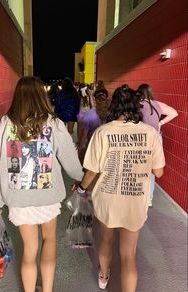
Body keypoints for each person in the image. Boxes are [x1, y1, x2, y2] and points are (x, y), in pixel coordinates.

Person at [0, 76, 83, 292]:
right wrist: (80, 177)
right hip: (48, 196)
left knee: (29, 249)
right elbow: (69, 158)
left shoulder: (5, 123)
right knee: (50, 241)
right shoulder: (54, 123)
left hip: (19, 198)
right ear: (42, 94)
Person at [73, 85, 165, 291]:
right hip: (135, 199)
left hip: (108, 198)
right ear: (136, 106)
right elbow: (158, 172)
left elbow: (92, 172)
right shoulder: (150, 133)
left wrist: (80, 188)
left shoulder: (102, 132)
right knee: (129, 254)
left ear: (114, 105)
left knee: (106, 240)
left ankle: (104, 275)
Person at [137, 83, 178, 206]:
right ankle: (149, 198)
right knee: (152, 168)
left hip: (143, 140)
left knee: (140, 166)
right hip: (157, 139)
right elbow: (174, 112)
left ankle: (140, 195)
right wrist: (161, 122)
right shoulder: (158, 104)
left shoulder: (138, 105)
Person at [77, 88, 109, 164]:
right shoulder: (111, 113)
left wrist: (80, 149)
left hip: (92, 146)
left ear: (95, 99)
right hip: (107, 146)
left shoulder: (89, 115)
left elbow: (84, 135)